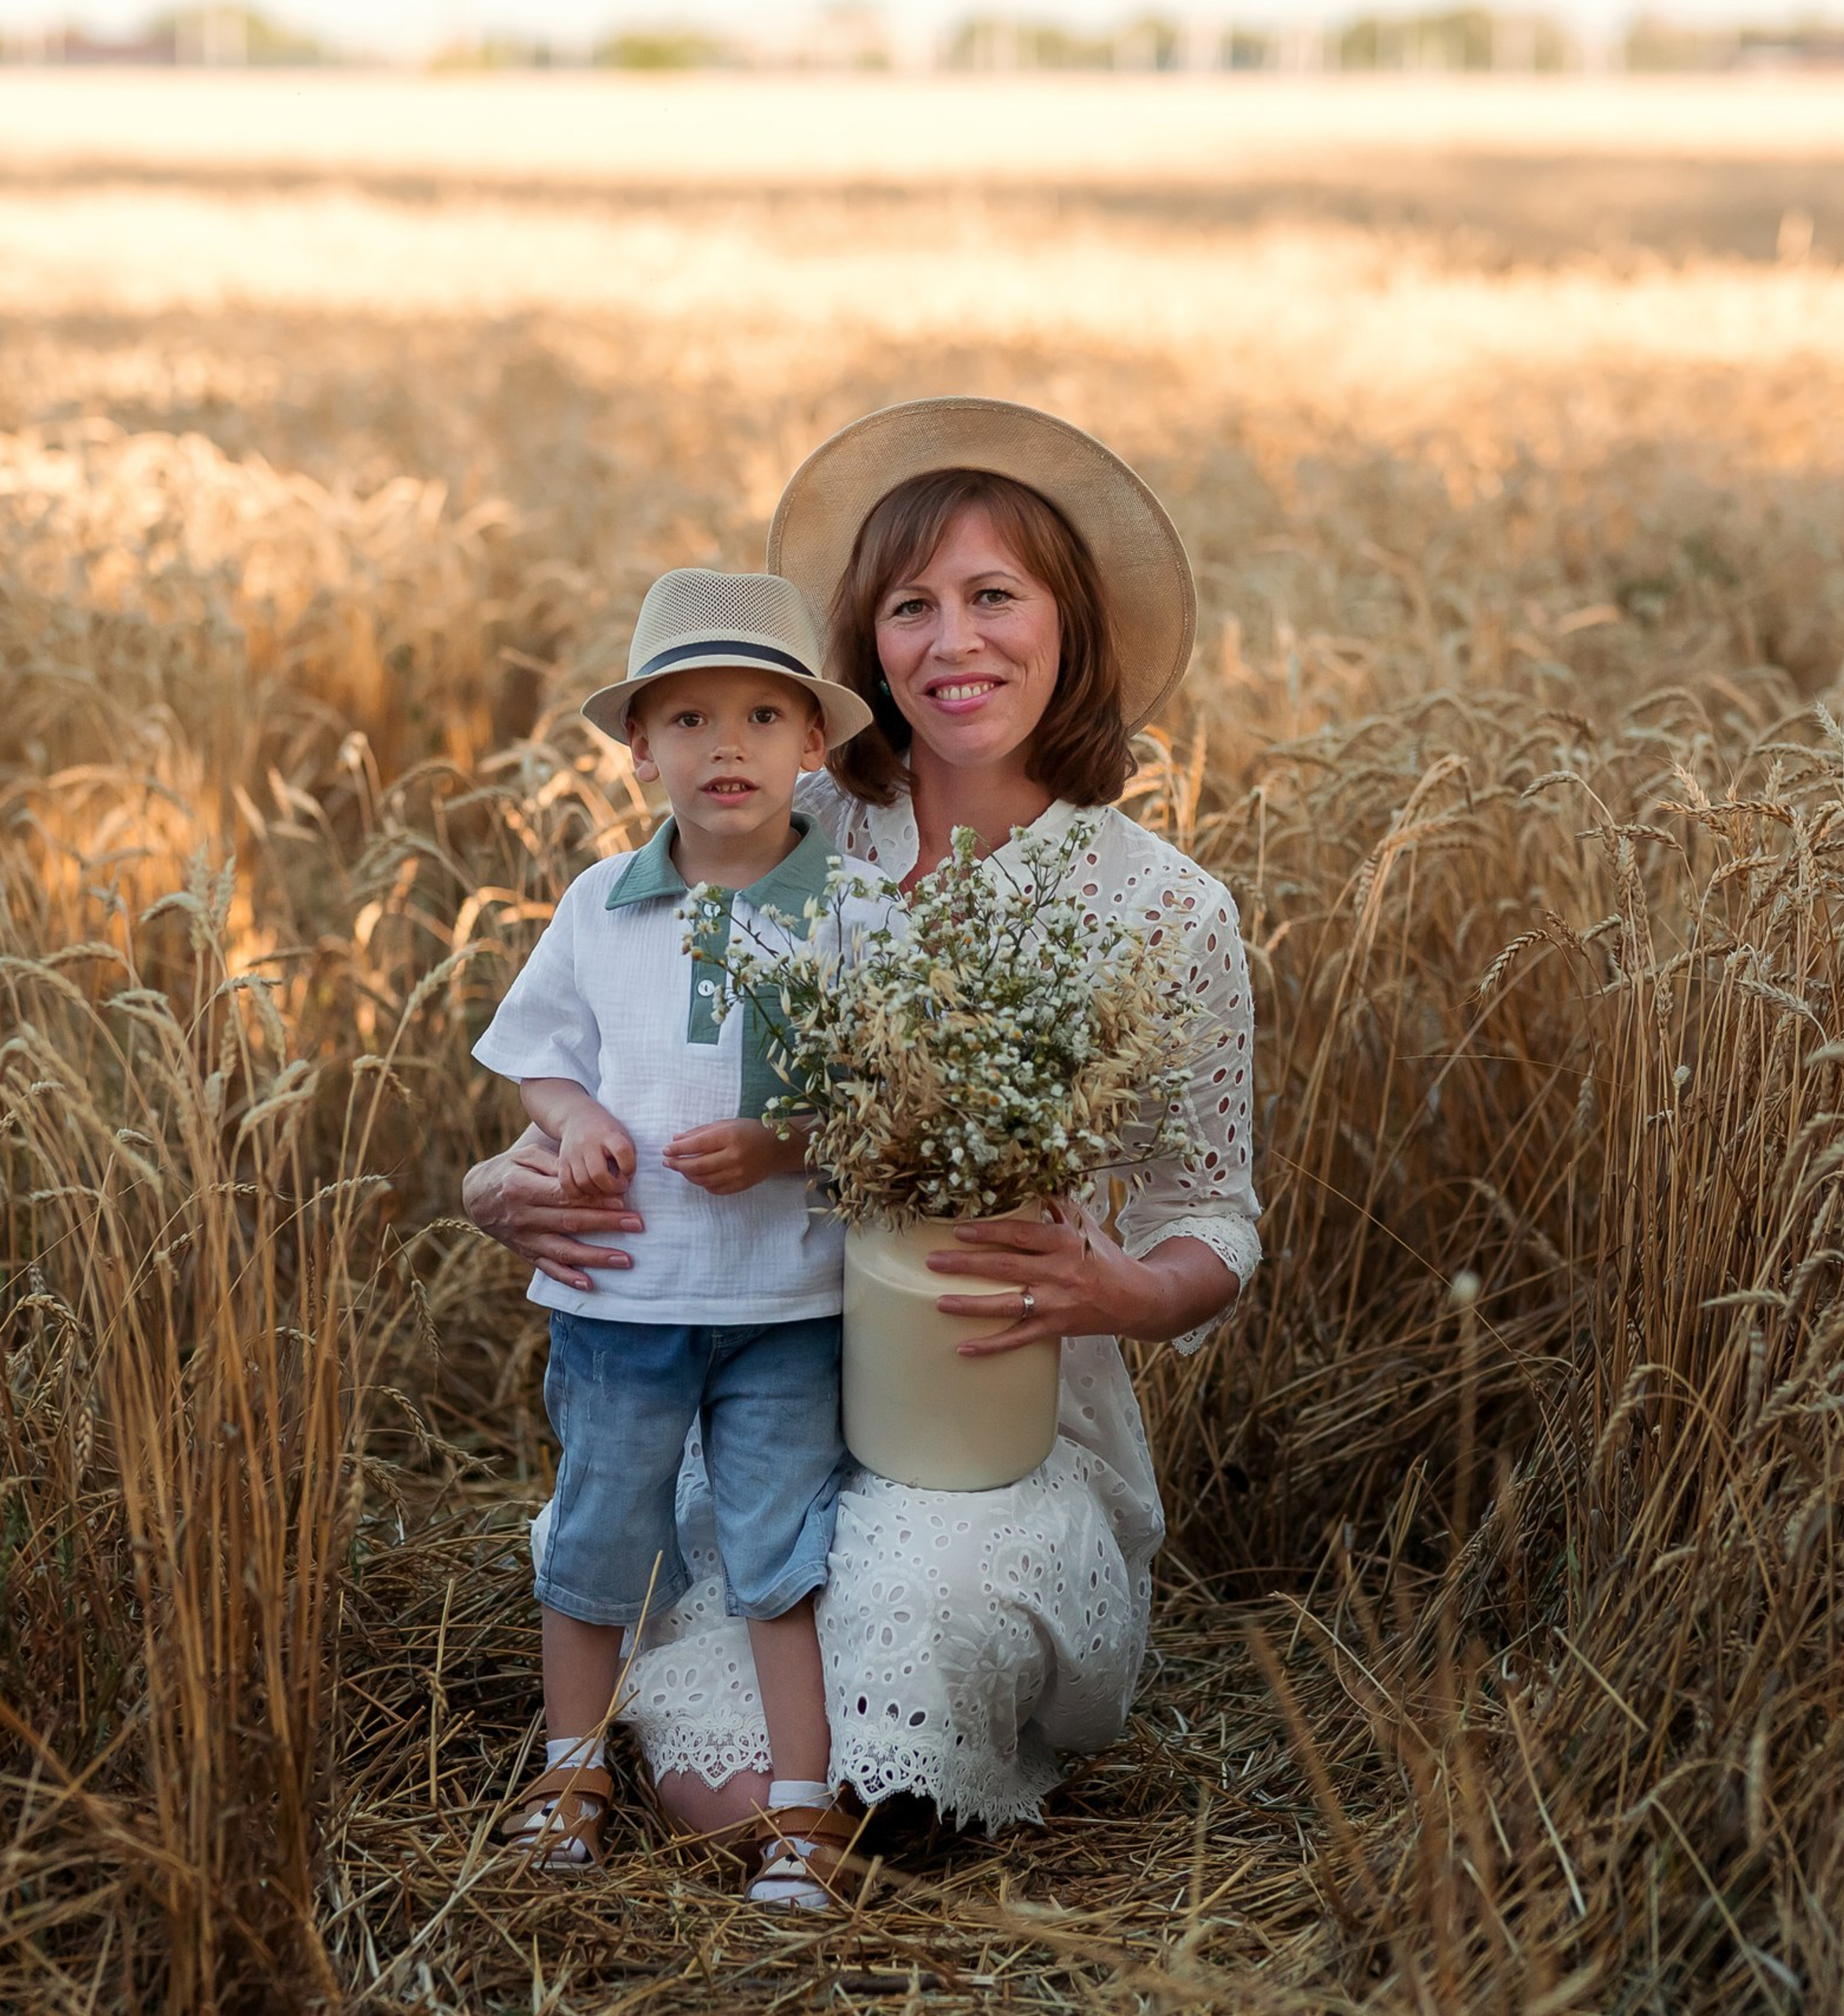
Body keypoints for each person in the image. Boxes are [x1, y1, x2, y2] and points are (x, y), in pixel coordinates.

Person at [466, 398, 1261, 1838]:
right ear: (863, 645)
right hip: (740, 1370)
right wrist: (505, 1179)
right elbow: (627, 1028)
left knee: (847, 1734)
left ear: (1068, 623)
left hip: (981, 1418)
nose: (955, 644)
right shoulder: (782, 805)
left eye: (994, 597)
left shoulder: (1166, 911)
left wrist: (1122, 1289)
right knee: (720, 1784)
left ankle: (911, 1738)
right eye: (912, 606)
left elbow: (1218, 1220)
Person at [470, 566, 879, 1905]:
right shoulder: (601, 903)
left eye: (765, 718)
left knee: (779, 1547)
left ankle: (804, 1811)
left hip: (787, 1300)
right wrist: (574, 1115)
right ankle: (570, 1770)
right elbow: (538, 1052)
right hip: (622, 1295)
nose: (727, 748)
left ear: (814, 747)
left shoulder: (851, 914)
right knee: (600, 1527)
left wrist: (786, 1141)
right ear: (639, 748)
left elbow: (889, 1101)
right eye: (690, 721)